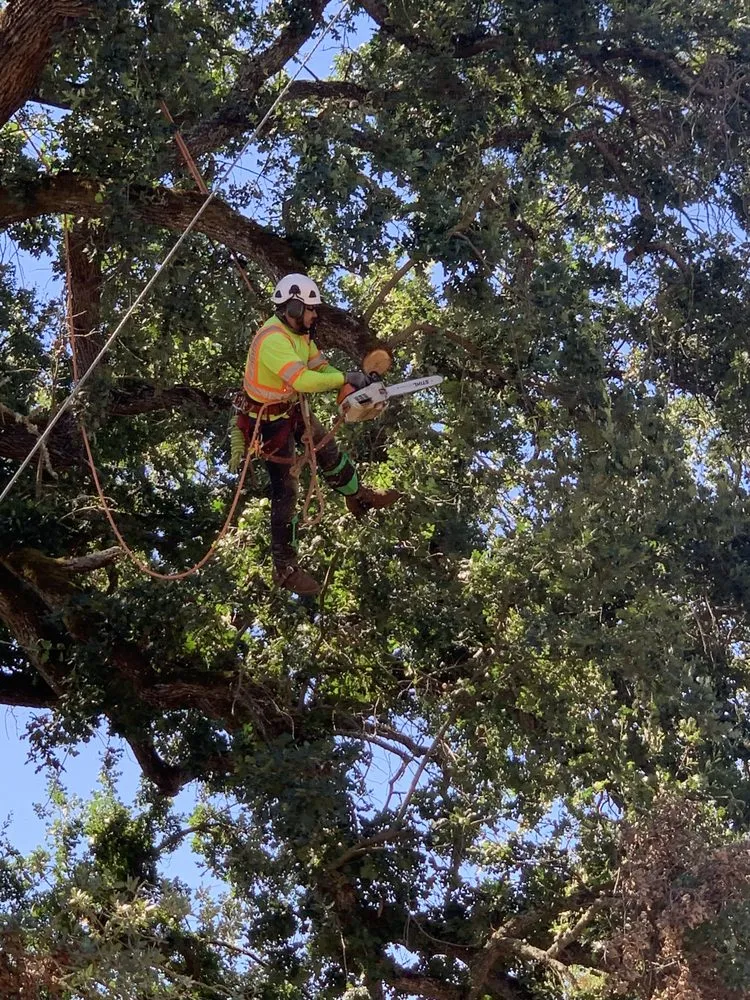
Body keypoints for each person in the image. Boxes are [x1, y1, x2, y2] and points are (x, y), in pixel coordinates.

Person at [237, 273, 401, 596]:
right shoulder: (272, 339)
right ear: (293, 308)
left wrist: (352, 383)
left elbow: (321, 370)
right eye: (310, 310)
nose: (315, 316)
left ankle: (357, 495)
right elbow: (301, 380)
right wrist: (344, 376)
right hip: (267, 423)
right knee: (286, 492)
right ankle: (284, 567)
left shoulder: (303, 335)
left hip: (291, 409)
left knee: (329, 453)